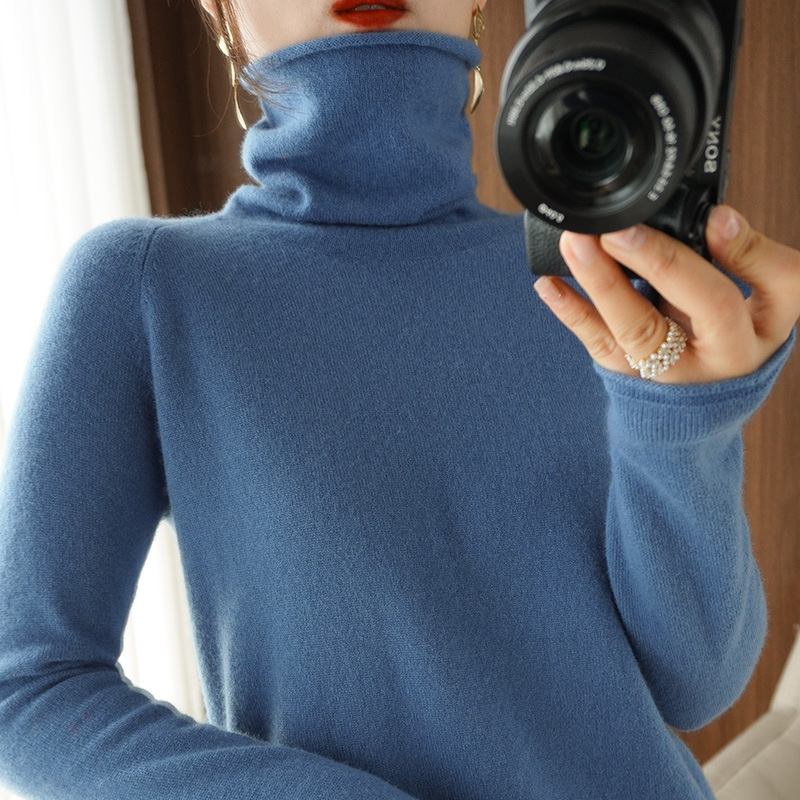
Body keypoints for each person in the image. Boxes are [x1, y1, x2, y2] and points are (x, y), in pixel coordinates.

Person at [1, 1, 799, 798]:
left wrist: (684, 430)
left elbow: (696, 680)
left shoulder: (601, 275)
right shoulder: (148, 289)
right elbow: (27, 688)